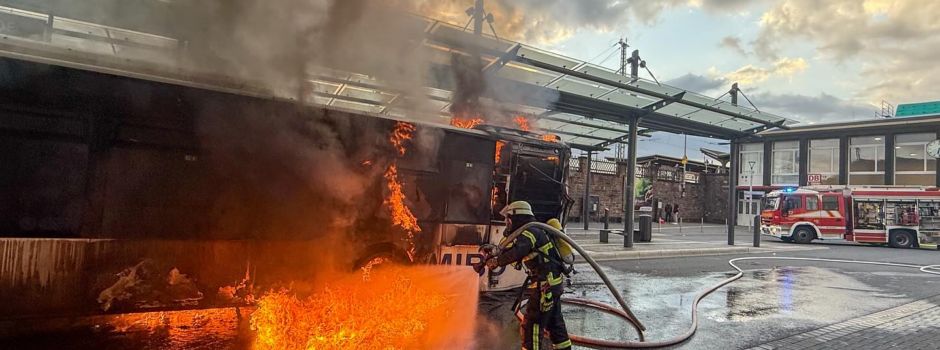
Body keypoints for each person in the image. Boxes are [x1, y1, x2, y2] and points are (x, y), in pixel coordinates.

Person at [484, 201, 571, 350]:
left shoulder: (530, 231)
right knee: (555, 326)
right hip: (552, 284)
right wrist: (494, 252)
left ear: (518, 216)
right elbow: (515, 251)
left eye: (508, 218)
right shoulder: (533, 230)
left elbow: (519, 251)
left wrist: (497, 262)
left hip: (545, 286)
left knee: (532, 326)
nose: (507, 222)